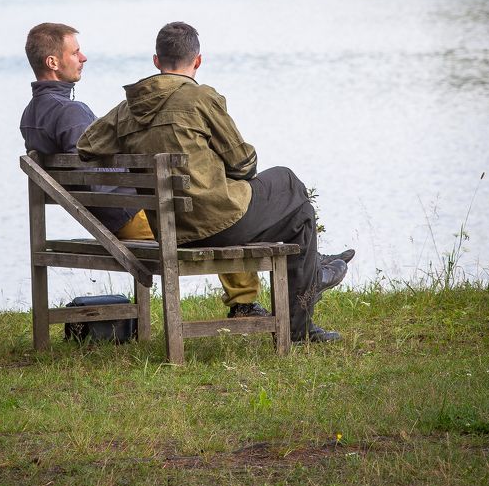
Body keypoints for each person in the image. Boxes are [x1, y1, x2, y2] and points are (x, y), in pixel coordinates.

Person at [77, 21, 354, 344]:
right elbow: (244, 163)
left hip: (169, 231)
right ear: (197, 61)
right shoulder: (200, 98)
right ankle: (303, 315)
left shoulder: (127, 110)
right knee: (289, 185)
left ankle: (313, 273)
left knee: (294, 207)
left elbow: (86, 146)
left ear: (156, 61)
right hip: (218, 224)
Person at [20, 22, 263, 313]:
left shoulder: (31, 115)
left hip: (104, 218)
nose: (83, 58)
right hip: (131, 216)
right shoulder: (71, 113)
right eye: (76, 52)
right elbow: (93, 175)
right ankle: (245, 302)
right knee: (215, 208)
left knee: (206, 201)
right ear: (53, 62)